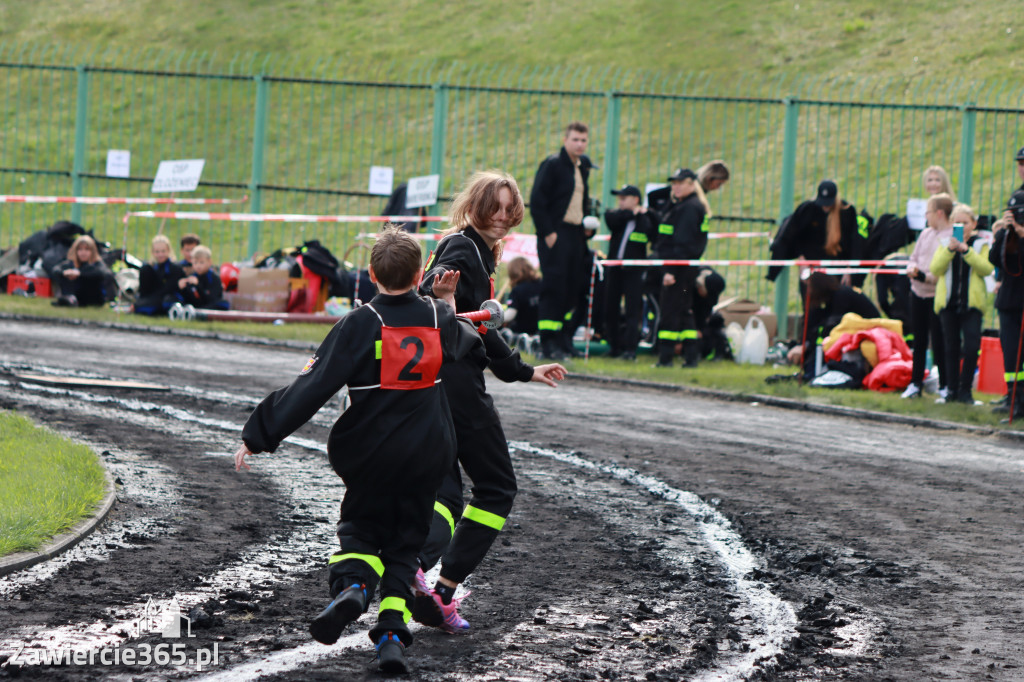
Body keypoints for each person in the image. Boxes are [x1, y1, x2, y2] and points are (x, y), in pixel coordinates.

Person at [234, 226, 480, 674]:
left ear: (370, 273)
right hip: (426, 455)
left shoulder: (360, 322)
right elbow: (466, 341)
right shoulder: (436, 316)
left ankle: (354, 589)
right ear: (421, 270)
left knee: (361, 532)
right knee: (405, 550)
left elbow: (312, 386)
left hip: (371, 455)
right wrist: (448, 306)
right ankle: (390, 636)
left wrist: (260, 433)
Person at [415, 170, 567, 633]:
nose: (502, 216)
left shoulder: (472, 249)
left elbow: (477, 324)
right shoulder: (463, 248)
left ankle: (410, 573)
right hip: (458, 385)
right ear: (475, 206)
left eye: (509, 208)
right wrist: (519, 369)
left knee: (445, 494)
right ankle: (439, 590)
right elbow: (444, 306)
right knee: (498, 488)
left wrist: (521, 370)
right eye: (493, 207)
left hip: (431, 383)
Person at [530, 121, 595, 359]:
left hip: (576, 235)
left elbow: (582, 201)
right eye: (575, 139)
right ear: (565, 140)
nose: (580, 144)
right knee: (554, 288)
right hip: (556, 234)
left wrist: (587, 228)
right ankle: (547, 343)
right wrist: (548, 233)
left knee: (573, 288)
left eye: (583, 140)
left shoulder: (583, 166)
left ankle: (564, 339)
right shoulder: (553, 165)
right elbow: (537, 201)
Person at [930, 202, 994, 405]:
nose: (961, 226)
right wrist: (950, 250)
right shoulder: (943, 243)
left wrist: (967, 252)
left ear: (973, 224)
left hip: (971, 304)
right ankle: (951, 391)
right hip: (948, 304)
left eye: (965, 222)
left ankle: (966, 392)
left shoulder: (981, 244)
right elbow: (936, 269)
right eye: (957, 223)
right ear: (951, 224)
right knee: (951, 347)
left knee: (972, 346)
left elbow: (986, 268)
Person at [650, 168, 710, 368]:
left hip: (678, 270)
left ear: (692, 184)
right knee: (684, 311)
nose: (675, 186)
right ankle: (691, 357)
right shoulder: (685, 205)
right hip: (684, 270)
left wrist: (669, 271)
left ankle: (665, 358)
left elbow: (682, 244)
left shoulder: (689, 208)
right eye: (674, 183)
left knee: (670, 311)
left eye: (680, 183)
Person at [900, 193, 954, 399]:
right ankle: (915, 383)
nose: (926, 216)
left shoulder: (950, 237)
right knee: (919, 340)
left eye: (928, 212)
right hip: (917, 293)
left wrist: (924, 276)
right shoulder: (925, 234)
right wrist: (912, 268)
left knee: (939, 341)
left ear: (939, 213)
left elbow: (942, 269)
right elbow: (913, 257)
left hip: (936, 295)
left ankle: (944, 386)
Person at [767, 180, 868, 286]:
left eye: (828, 203)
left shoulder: (847, 212)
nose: (825, 207)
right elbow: (793, 236)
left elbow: (855, 243)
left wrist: (849, 270)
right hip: (812, 267)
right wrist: (802, 260)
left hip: (837, 268)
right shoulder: (807, 210)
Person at [787, 272, 881, 380]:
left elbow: (832, 327)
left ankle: (812, 373)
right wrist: (803, 344)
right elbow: (812, 322)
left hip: (868, 334)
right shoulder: (829, 299)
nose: (808, 290)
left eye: (809, 285)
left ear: (819, 285)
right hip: (856, 334)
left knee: (824, 342)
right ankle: (811, 372)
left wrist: (808, 345)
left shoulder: (841, 295)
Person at [602, 184, 653, 359]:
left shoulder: (645, 218)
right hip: (615, 269)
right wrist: (632, 212)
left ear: (636, 199)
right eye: (619, 198)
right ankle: (614, 347)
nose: (620, 202)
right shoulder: (619, 216)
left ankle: (630, 350)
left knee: (633, 310)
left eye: (624, 198)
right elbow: (610, 218)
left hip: (634, 271)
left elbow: (654, 229)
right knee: (610, 309)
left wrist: (644, 214)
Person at [989, 192, 1024, 419]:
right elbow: (994, 258)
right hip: (1008, 302)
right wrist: (1003, 232)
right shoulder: (1007, 234)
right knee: (1010, 353)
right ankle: (1013, 399)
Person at [50, 234, 113, 307]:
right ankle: (69, 299)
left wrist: (80, 274)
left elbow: (105, 273)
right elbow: (56, 270)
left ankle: (71, 300)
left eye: (87, 249)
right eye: (80, 249)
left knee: (90, 277)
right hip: (75, 293)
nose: (83, 252)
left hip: (93, 297)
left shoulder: (97, 264)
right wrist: (65, 273)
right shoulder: (71, 263)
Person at [134, 235, 185, 316]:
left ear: (168, 251)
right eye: (157, 252)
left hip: (168, 296)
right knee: (145, 269)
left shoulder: (175, 268)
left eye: (163, 251)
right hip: (154, 296)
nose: (160, 254)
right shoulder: (152, 267)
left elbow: (167, 289)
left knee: (165, 301)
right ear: (153, 252)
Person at [178, 245, 229, 310]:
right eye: (195, 263)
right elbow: (190, 298)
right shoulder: (192, 277)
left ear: (209, 262)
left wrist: (198, 285)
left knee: (223, 304)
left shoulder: (214, 278)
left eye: (201, 262)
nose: (198, 266)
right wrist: (183, 289)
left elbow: (211, 298)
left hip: (210, 304)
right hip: (197, 304)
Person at [504, 256, 542, 337]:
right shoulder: (542, 284)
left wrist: (495, 318)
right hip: (540, 331)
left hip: (521, 333)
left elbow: (510, 314)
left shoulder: (517, 290)